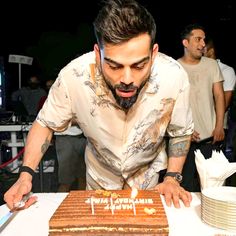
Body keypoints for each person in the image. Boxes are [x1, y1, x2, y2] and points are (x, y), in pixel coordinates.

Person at [4, 0, 194, 209]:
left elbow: (181, 131)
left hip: (148, 177)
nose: (127, 78)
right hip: (99, 178)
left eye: (139, 65)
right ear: (98, 54)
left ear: (154, 53)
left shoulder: (174, 76)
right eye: (114, 66)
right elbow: (45, 123)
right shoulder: (73, 76)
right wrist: (25, 175)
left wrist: (172, 178)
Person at [177, 24, 225, 192]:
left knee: (212, 187)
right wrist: (184, 130)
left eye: (204, 39)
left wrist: (219, 126)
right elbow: (170, 105)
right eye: (198, 39)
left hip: (210, 137)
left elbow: (219, 96)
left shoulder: (211, 65)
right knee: (185, 187)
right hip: (184, 140)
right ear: (185, 42)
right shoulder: (175, 68)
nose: (203, 43)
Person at [204, 38, 236, 158]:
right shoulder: (197, 70)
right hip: (196, 129)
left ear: (210, 51)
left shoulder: (226, 71)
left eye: (202, 49)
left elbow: (225, 102)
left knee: (214, 168)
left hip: (216, 128)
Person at [56, 125, 87, 192]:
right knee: (65, 181)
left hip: (87, 136)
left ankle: (81, 201)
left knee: (84, 178)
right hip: (65, 135)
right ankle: (61, 201)